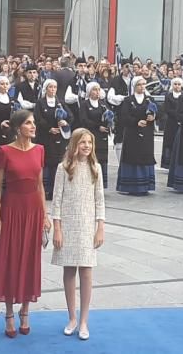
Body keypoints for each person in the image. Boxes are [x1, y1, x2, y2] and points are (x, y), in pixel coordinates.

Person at [0, 110, 49, 339]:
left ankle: (25, 310)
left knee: (30, 259)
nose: (33, 126)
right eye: (28, 123)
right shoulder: (4, 151)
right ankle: (8, 312)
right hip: (11, 209)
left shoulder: (40, 150)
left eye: (33, 123)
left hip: (33, 209)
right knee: (10, 259)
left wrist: (44, 216)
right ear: (17, 127)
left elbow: (40, 185)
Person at [51, 128, 105, 341]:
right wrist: (57, 228)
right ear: (74, 144)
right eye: (82, 142)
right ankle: (71, 317)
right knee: (69, 270)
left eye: (89, 143)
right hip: (68, 225)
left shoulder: (96, 168)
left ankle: (84, 320)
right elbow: (56, 200)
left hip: (87, 226)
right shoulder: (63, 168)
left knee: (86, 270)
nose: (86, 146)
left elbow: (99, 200)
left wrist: (100, 226)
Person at [117, 77, 156, 195]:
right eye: (140, 84)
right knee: (132, 156)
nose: (142, 87)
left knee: (145, 155)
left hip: (146, 133)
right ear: (134, 86)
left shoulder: (150, 100)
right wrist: (136, 122)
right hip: (132, 133)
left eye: (144, 84)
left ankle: (145, 186)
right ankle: (131, 185)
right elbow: (123, 117)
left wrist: (153, 117)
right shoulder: (128, 100)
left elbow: (158, 114)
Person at [35, 79, 72, 200]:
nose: (53, 89)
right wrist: (49, 128)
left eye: (55, 87)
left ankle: (57, 190)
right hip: (45, 137)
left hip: (59, 138)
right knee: (46, 163)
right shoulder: (40, 103)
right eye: (50, 87)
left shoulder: (60, 102)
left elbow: (71, 116)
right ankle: (45, 189)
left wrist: (65, 121)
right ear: (46, 89)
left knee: (57, 163)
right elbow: (38, 119)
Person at [75, 82, 111, 189]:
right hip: (91, 135)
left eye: (98, 89)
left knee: (102, 159)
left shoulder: (103, 104)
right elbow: (83, 119)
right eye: (94, 89)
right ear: (89, 91)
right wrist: (97, 126)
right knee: (90, 158)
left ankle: (100, 183)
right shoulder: (84, 104)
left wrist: (109, 122)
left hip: (102, 137)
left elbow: (109, 116)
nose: (97, 92)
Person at [161, 77, 183, 168]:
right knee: (169, 143)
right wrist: (177, 114)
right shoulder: (168, 96)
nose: (177, 86)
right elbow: (167, 109)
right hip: (170, 122)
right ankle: (167, 163)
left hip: (181, 123)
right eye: (175, 84)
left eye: (179, 84)